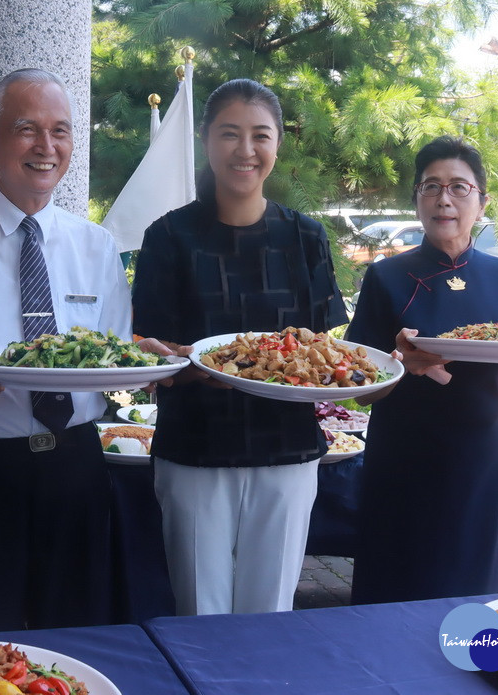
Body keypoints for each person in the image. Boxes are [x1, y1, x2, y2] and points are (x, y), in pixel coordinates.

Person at [0, 68, 169, 633]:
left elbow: (111, 352)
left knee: (78, 644)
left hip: (76, 468)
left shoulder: (95, 244)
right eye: (26, 129)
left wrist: (152, 360)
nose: (47, 147)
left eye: (60, 131)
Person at [345, 136, 498, 604]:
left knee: (468, 581)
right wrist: (400, 366)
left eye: (460, 187)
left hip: (478, 457)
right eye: (431, 186)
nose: (444, 199)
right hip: (401, 452)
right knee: (392, 579)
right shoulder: (386, 278)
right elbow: (361, 390)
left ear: (482, 202)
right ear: (416, 198)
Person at [131, 79, 346, 616]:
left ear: (277, 145)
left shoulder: (306, 238)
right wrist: (178, 363)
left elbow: (324, 349)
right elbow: (146, 349)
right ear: (206, 141)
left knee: (270, 614)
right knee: (199, 611)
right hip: (195, 449)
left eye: (261, 135)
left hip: (287, 449)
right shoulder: (168, 237)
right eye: (230, 134)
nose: (245, 150)